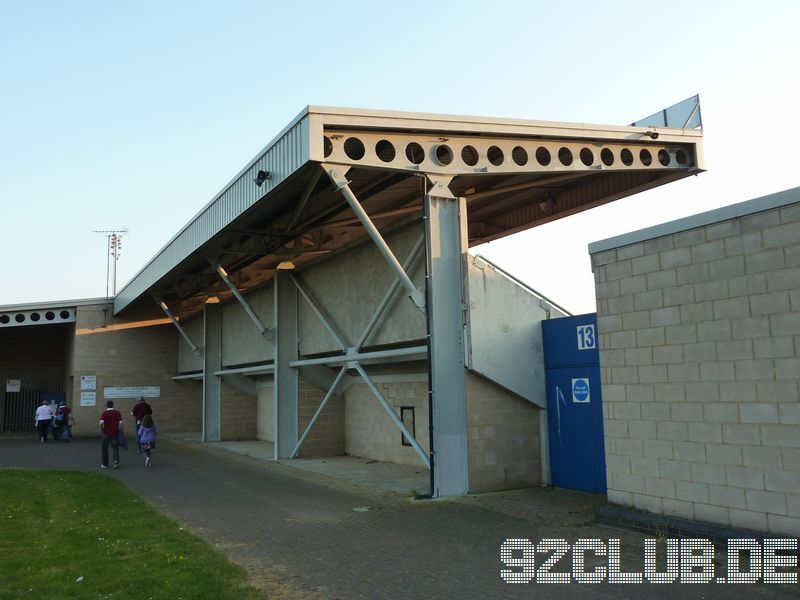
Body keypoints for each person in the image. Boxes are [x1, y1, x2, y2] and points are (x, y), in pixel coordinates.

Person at [99, 400, 123, 469]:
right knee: (115, 448)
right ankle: (116, 462)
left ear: (107, 405)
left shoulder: (104, 413)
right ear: (113, 405)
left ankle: (105, 464)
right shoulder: (117, 413)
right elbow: (121, 423)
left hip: (106, 433)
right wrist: (120, 430)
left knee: (104, 448)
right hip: (115, 433)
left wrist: (102, 429)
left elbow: (101, 423)